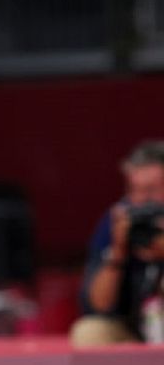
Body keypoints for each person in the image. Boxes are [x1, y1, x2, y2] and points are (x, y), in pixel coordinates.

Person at [71, 139, 164, 347]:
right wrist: (118, 252)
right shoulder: (118, 221)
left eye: (150, 191)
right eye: (133, 190)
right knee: (89, 331)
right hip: (135, 329)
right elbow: (98, 305)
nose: (140, 201)